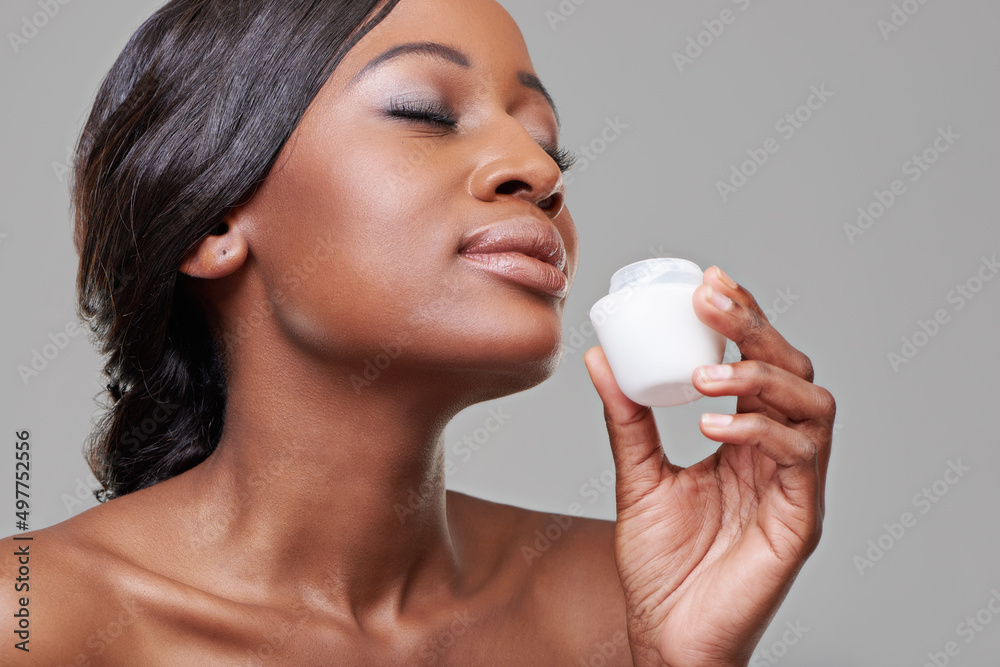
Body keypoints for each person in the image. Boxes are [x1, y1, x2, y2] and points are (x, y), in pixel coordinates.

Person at [2, 0, 835, 664]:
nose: (541, 174)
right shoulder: (34, 619)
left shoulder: (621, 598)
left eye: (547, 143)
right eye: (426, 113)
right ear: (210, 222)